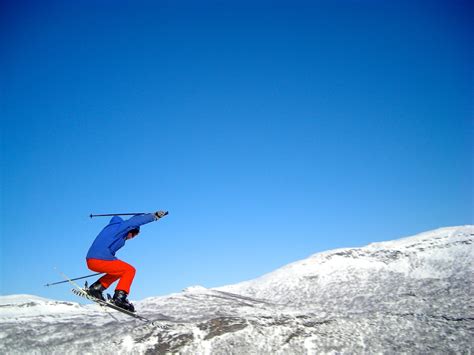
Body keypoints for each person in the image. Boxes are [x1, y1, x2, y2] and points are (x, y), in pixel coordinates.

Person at [85, 211, 167, 311]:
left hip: (92, 260)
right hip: (99, 259)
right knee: (130, 270)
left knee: (120, 271)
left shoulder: (113, 231)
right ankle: (119, 298)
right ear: (131, 231)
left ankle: (96, 289)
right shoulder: (120, 228)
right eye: (134, 235)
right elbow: (134, 221)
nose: (132, 237)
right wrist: (154, 216)